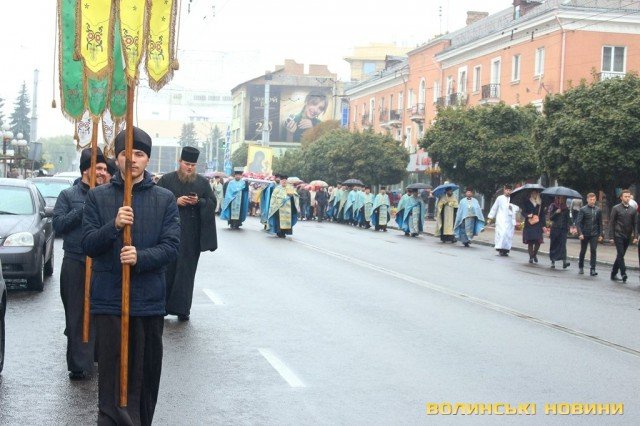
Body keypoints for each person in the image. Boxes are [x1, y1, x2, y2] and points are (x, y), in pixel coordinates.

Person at [81, 127, 180, 425]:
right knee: (112, 377)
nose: (132, 160)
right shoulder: (98, 197)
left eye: (139, 154)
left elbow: (171, 247)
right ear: (117, 157)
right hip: (109, 302)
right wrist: (113, 225)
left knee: (145, 376)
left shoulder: (164, 199)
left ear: (147, 160)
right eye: (126, 153)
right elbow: (87, 243)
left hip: (147, 303)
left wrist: (140, 257)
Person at [53, 147, 108, 380]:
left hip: (99, 262)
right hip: (75, 261)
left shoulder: (107, 195)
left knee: (98, 312)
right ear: (86, 170)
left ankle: (95, 357)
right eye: (99, 168)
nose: (103, 172)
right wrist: (83, 211)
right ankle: (78, 364)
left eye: (105, 169)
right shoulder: (68, 195)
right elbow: (58, 225)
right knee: (76, 313)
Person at [156, 147, 218, 321]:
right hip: (169, 233)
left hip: (191, 236)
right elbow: (156, 200)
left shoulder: (202, 183)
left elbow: (211, 203)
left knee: (186, 272)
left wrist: (199, 202)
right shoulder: (166, 180)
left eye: (192, 165)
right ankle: (162, 307)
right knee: (167, 270)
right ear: (180, 162)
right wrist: (175, 201)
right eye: (186, 164)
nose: (189, 168)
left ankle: (183, 309)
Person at [609, 189, 638, 282]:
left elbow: (635, 224)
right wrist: (611, 237)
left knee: (620, 255)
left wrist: (636, 236)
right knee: (621, 254)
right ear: (621, 197)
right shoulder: (616, 208)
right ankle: (623, 273)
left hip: (627, 235)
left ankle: (613, 273)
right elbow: (612, 223)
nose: (627, 198)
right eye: (625, 196)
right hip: (618, 234)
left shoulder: (633, 210)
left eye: (629, 196)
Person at [576, 193, 603, 276]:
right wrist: (580, 233)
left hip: (594, 234)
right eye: (590, 199)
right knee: (583, 250)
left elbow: (600, 223)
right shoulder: (583, 209)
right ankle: (581, 267)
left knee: (593, 250)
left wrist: (600, 234)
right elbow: (578, 222)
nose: (592, 201)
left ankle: (593, 269)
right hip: (585, 233)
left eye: (593, 200)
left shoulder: (598, 210)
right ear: (587, 200)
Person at [487, 184, 519, 256]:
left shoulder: (514, 198)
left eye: (509, 190)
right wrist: (490, 218)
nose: (508, 191)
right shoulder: (500, 198)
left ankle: (506, 249)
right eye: (507, 190)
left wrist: (512, 208)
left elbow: (517, 208)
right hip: (501, 219)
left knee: (508, 235)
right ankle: (500, 248)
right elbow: (494, 208)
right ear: (504, 190)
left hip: (510, 220)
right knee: (502, 233)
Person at [522, 189, 546, 263]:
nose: (534, 194)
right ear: (531, 194)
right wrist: (527, 215)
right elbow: (523, 212)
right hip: (529, 224)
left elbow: (542, 215)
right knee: (530, 242)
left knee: (538, 241)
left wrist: (544, 225)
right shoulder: (527, 202)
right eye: (533, 193)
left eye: (535, 193)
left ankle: (534, 254)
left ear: (538, 194)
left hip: (538, 224)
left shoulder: (540, 203)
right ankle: (531, 257)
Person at [548, 196, 571, 269]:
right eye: (560, 198)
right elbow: (550, 218)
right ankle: (553, 261)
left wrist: (570, 226)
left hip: (563, 229)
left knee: (563, 245)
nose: (561, 200)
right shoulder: (553, 206)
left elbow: (568, 219)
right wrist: (556, 212)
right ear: (557, 199)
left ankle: (564, 262)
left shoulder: (566, 208)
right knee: (554, 244)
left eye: (563, 199)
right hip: (555, 229)